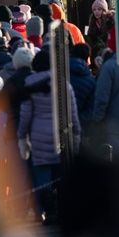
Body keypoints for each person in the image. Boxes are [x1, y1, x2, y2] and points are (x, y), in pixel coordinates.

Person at [18, 50, 79, 222]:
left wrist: (22, 135)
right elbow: (72, 112)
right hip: (61, 135)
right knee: (61, 176)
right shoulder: (63, 83)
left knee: (42, 178)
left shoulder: (29, 83)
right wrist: (76, 135)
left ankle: (48, 212)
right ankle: (62, 211)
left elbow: (25, 114)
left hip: (38, 137)